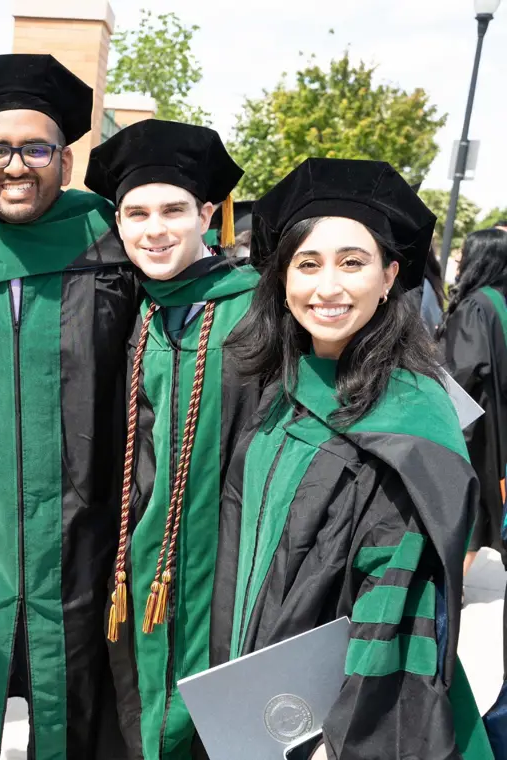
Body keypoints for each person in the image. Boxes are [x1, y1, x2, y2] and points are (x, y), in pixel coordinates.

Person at [212, 158, 492, 759]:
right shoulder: (281, 391)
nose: (327, 287)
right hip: (258, 699)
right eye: (307, 264)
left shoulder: (409, 422)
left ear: (390, 276)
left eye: (352, 262)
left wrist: (340, 739)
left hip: (338, 723)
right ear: (282, 279)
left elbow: (393, 609)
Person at [0, 54, 139, 759]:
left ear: (65, 160)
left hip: (86, 543)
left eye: (36, 148)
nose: (17, 165)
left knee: (76, 716)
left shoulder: (117, 250)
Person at [84, 120, 259, 760]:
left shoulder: (259, 309)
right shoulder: (139, 304)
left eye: (172, 210)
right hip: (141, 564)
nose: (154, 229)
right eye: (137, 213)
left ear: (207, 213)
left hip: (227, 565)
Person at [441, 228, 507, 575]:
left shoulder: (474, 306)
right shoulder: (500, 299)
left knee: (465, 498)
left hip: (474, 424)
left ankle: (455, 579)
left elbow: (461, 373)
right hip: (497, 418)